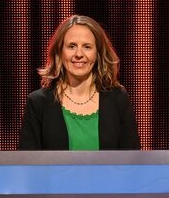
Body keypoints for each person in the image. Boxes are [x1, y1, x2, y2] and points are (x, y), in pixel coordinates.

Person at [18, 15, 140, 150]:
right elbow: (28, 160)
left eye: (87, 47)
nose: (79, 54)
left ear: (98, 53)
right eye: (72, 46)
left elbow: (133, 158)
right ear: (60, 52)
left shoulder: (118, 99)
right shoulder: (38, 102)